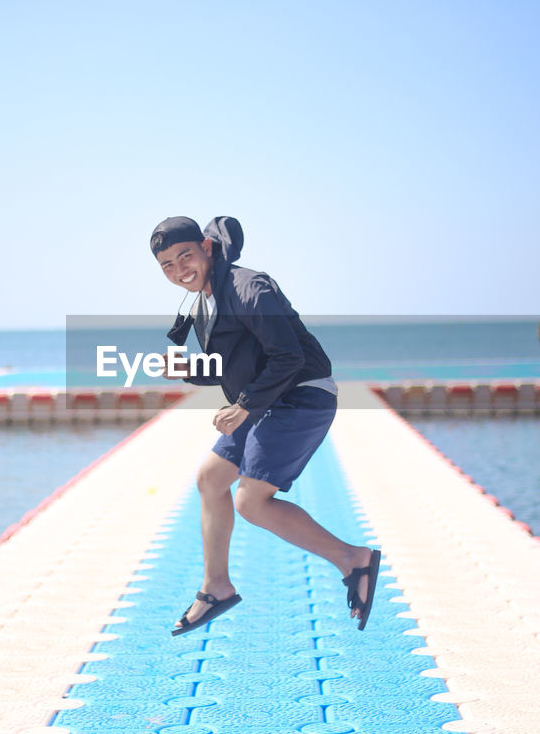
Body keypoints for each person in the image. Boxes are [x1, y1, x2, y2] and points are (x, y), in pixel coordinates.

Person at [151, 216, 381, 636]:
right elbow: (239, 364)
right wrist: (189, 368)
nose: (179, 269)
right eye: (167, 265)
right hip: (266, 400)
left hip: (302, 395)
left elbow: (288, 357)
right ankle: (216, 587)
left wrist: (243, 407)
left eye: (185, 255)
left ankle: (354, 560)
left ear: (205, 246)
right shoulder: (207, 298)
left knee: (251, 502)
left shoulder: (246, 286)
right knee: (210, 480)